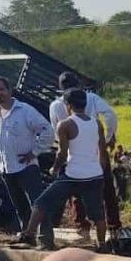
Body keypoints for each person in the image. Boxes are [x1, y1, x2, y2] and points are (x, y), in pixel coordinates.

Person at [15, 88, 110, 247]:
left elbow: (62, 154)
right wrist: (100, 170)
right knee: (98, 214)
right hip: (94, 175)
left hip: (73, 175)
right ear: (85, 104)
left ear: (68, 105)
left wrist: (55, 169)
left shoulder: (65, 125)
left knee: (41, 203)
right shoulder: (96, 123)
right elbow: (102, 150)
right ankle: (102, 245)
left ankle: (29, 236)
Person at [0, 77, 55, 248]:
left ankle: (46, 239)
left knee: (38, 202)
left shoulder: (25, 110)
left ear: (10, 90)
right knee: (20, 205)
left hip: (26, 167)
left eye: (1, 89)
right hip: (6, 167)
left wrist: (35, 152)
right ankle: (27, 236)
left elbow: (47, 130)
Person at [49, 72, 121, 237]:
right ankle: (113, 226)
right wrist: (108, 138)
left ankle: (83, 226)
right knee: (106, 188)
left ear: (60, 87)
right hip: (94, 149)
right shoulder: (91, 98)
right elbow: (110, 115)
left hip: (73, 152)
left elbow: (56, 132)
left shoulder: (56, 105)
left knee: (76, 190)